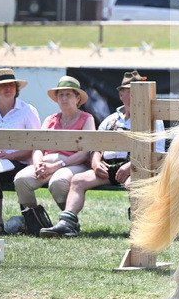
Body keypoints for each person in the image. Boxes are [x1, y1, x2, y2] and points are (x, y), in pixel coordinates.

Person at [41, 71, 146, 238]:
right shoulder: (110, 120)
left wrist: (130, 166)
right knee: (78, 180)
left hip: (136, 168)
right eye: (128, 91)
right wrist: (96, 164)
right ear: (121, 95)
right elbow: (96, 147)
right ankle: (67, 224)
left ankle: (139, 228)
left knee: (134, 184)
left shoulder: (150, 119)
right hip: (108, 168)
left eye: (137, 90)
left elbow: (153, 151)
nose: (133, 95)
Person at [13, 76, 96, 232]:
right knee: (21, 179)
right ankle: (34, 222)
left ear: (78, 98)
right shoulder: (50, 119)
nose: (64, 98)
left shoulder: (87, 118)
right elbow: (38, 147)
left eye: (68, 94)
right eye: (60, 95)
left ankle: (69, 222)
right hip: (46, 163)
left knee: (58, 182)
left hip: (73, 163)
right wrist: (38, 165)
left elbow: (85, 154)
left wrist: (57, 165)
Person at [0, 68, 41, 236]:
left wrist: (10, 155)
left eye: (12, 84)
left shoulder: (27, 110)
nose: (8, 88)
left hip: (19, 164)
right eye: (3, 85)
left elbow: (37, 145)